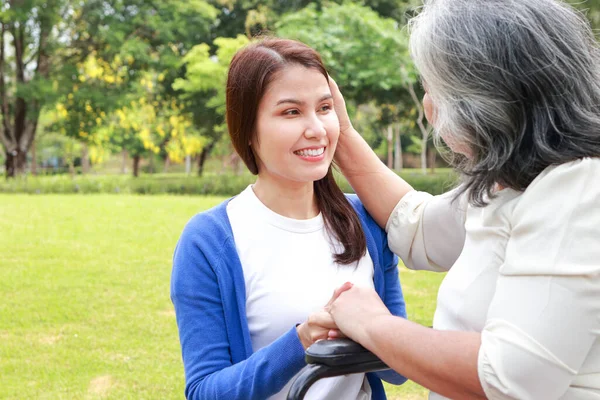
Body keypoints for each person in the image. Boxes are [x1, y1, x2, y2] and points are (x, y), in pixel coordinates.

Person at [325, 0, 600, 399]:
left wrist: (371, 324)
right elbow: (417, 228)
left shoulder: (578, 188)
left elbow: (509, 377)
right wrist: (342, 135)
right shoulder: (509, 182)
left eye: (432, 88)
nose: (428, 106)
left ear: (481, 98)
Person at [170, 38, 407, 400]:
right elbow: (205, 391)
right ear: (248, 130)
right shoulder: (209, 240)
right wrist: (302, 341)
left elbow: (399, 371)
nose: (316, 129)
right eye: (291, 112)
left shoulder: (367, 219)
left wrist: (373, 328)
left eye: (324, 108)